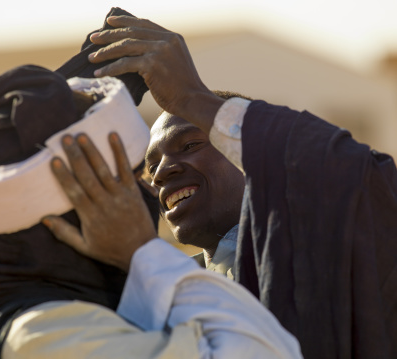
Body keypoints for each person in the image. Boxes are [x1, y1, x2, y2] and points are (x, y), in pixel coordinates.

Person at [0, 64, 301, 358]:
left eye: (191, 145)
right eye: (142, 168)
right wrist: (142, 251)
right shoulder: (59, 326)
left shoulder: (327, 263)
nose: (157, 176)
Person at [77, 13, 397, 359]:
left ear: (250, 159)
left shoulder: (332, 250)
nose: (161, 173)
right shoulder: (163, 298)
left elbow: (361, 180)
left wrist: (192, 97)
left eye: (189, 146)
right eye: (151, 167)